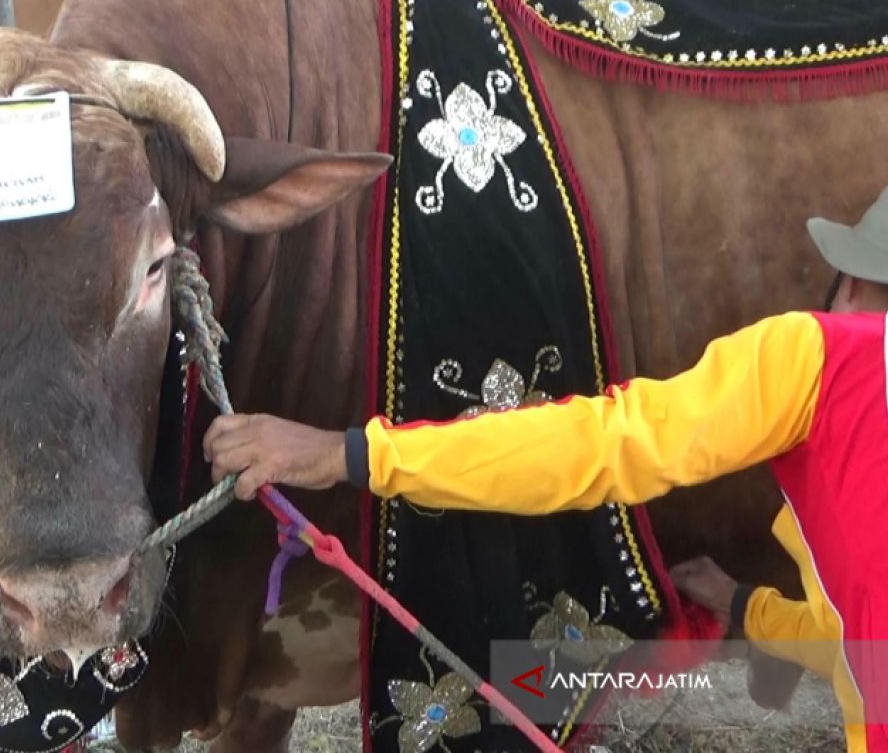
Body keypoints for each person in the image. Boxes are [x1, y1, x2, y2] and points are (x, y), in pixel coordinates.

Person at [204, 189, 888, 752]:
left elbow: (601, 446)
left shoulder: (826, 360)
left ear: (854, 285)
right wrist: (743, 606)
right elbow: (864, 654)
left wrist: (351, 453)